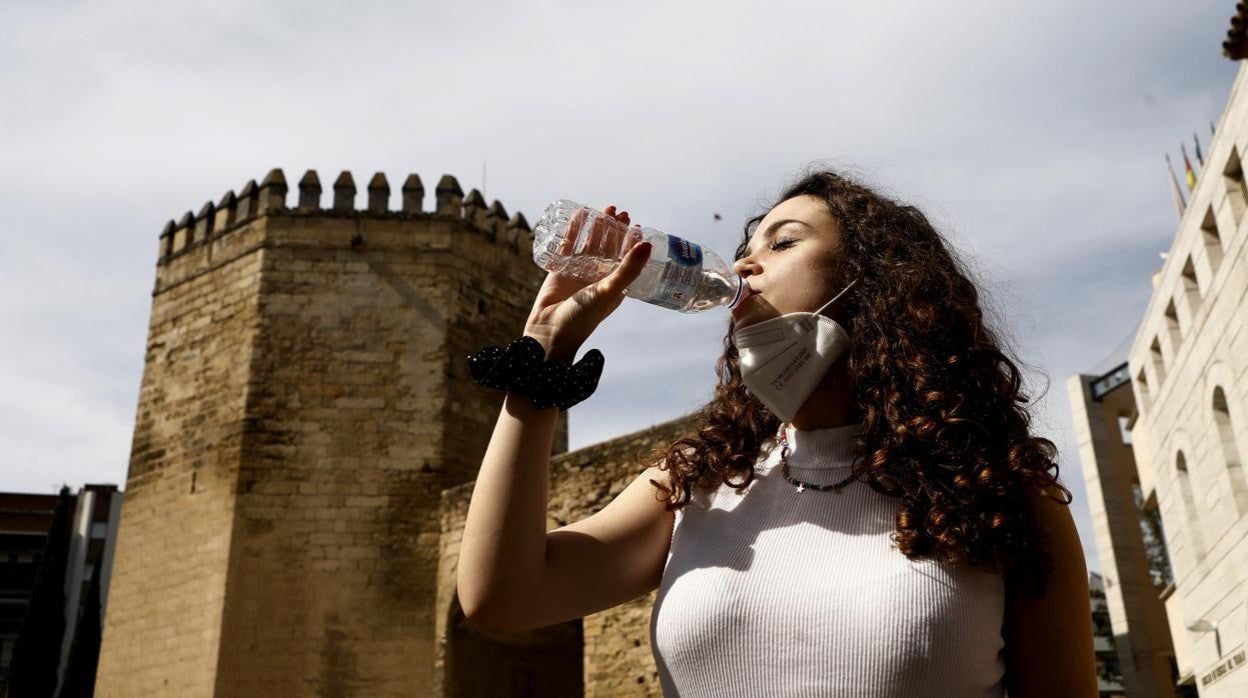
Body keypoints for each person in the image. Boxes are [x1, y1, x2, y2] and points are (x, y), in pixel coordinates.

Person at [457, 169, 1099, 697]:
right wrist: (542, 360)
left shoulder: (1002, 499)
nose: (744, 265)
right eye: (746, 249)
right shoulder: (696, 485)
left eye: (782, 243)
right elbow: (504, 596)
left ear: (875, 284)